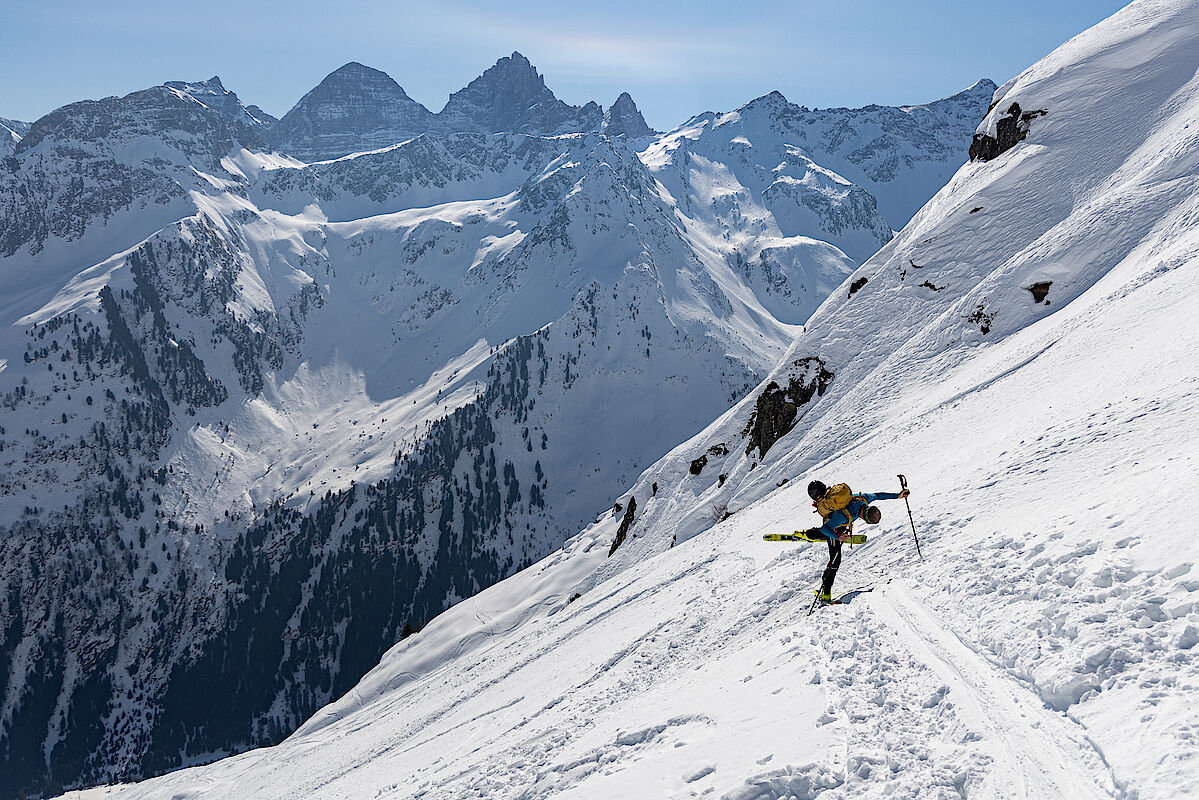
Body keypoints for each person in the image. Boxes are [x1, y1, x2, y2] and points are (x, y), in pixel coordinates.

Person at [797, 480, 909, 604]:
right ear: (864, 517)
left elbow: (877, 496)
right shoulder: (844, 516)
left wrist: (897, 496)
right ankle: (825, 595)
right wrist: (837, 537)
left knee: (832, 541)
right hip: (833, 527)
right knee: (835, 560)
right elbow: (826, 528)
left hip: (839, 525)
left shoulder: (864, 499)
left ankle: (811, 534)